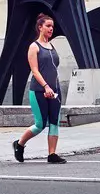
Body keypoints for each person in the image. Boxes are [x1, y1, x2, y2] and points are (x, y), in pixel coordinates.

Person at [11, 12, 65, 164]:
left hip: (54, 90)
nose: (51, 29)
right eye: (48, 26)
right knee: (40, 124)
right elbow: (35, 70)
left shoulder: (51, 46)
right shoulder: (34, 47)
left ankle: (52, 154)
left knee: (55, 122)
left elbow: (53, 68)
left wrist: (54, 88)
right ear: (40, 27)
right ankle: (19, 144)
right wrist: (46, 87)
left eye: (52, 26)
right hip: (39, 90)